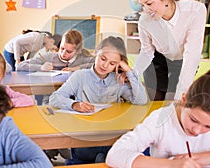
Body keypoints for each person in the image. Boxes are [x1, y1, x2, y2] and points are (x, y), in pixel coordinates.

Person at [106, 70, 210, 168]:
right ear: (184, 100)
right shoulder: (161, 119)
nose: (197, 131)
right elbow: (115, 155)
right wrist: (173, 165)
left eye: (208, 127)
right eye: (193, 120)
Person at [49, 36, 148, 164]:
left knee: (128, 148)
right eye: (103, 59)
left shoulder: (118, 81)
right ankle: (102, 160)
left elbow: (141, 100)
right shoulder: (80, 76)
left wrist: (129, 71)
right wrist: (74, 105)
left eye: (112, 63)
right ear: (96, 52)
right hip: (86, 139)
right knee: (100, 154)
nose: (105, 65)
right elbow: (54, 98)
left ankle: (102, 160)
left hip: (110, 137)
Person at [132, 0, 207, 101]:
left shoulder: (195, 11)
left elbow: (192, 54)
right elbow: (147, 51)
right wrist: (132, 74)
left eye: (149, 4)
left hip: (182, 60)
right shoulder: (144, 20)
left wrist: (182, 93)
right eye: (142, 5)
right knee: (155, 104)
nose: (146, 10)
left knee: (172, 102)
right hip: (157, 60)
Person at [17, 29, 94, 72]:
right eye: (62, 48)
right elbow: (20, 66)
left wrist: (76, 68)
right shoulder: (49, 57)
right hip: (50, 96)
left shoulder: (82, 58)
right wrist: (41, 68)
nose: (63, 54)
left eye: (69, 51)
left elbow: (100, 65)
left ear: (77, 51)